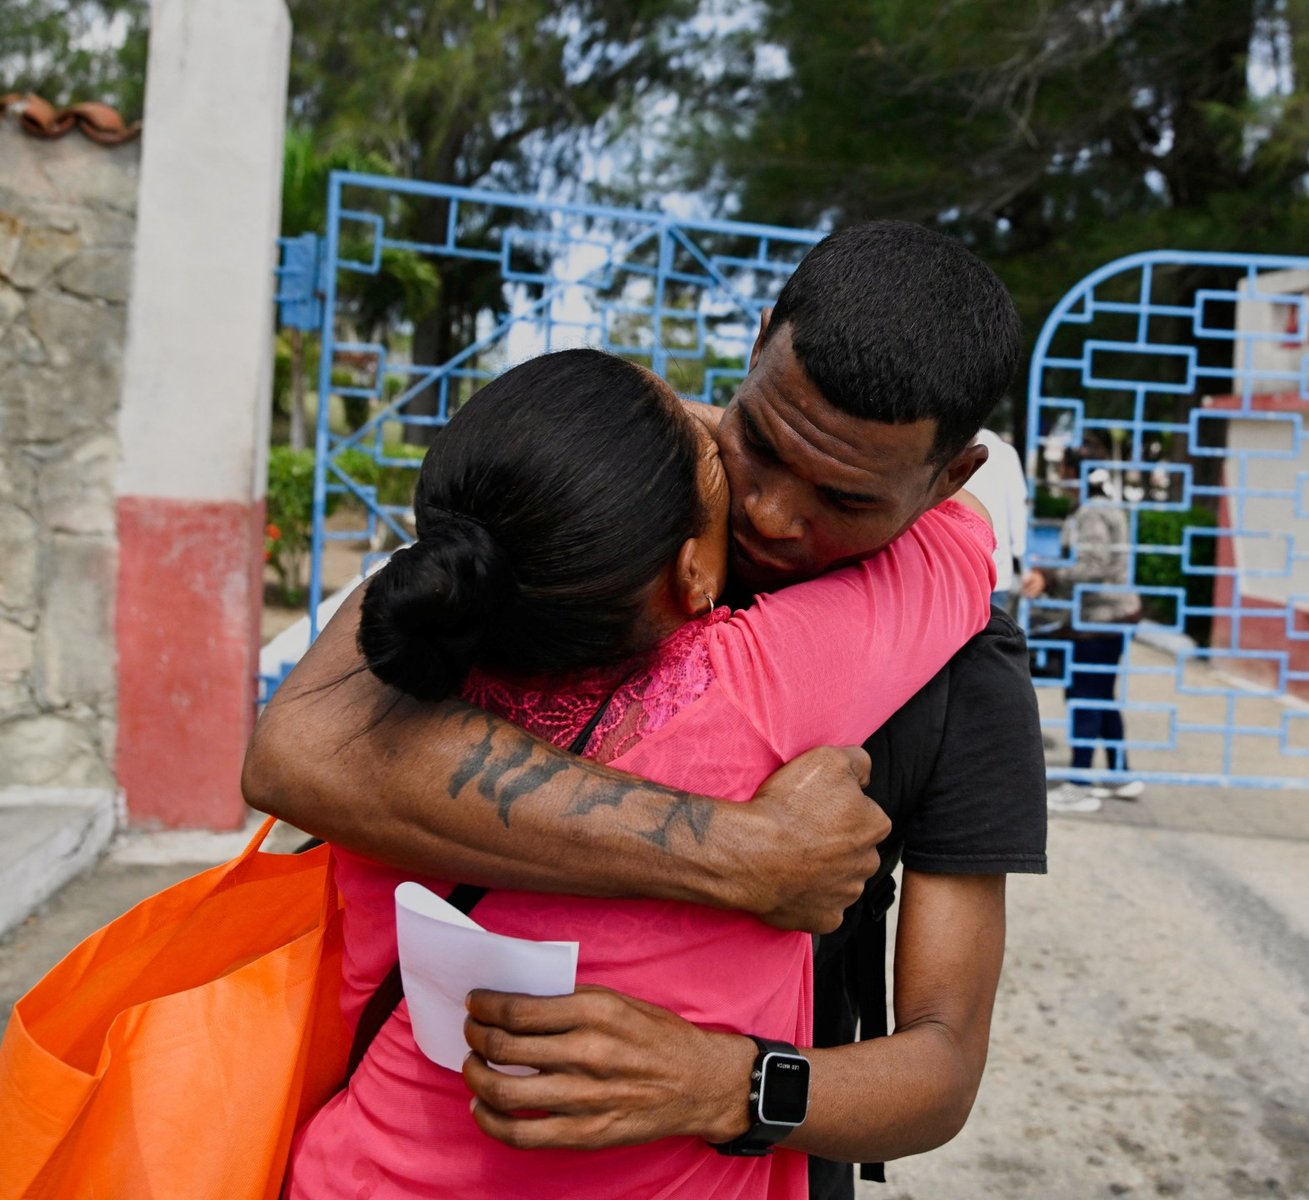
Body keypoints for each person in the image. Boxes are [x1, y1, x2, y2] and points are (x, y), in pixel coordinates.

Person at [245, 220, 1048, 1196]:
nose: (771, 515)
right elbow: (301, 751)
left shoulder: (967, 669)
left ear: (950, 480)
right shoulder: (585, 506)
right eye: (759, 443)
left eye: (844, 499)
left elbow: (942, 1069)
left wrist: (726, 1084)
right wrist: (740, 853)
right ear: (757, 347)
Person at [1021, 435, 1144, 805]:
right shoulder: (1100, 507)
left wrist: (1049, 576)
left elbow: (1093, 565)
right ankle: (1121, 775)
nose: (1060, 477)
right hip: (1110, 617)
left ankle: (1080, 782)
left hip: (1100, 619)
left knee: (1086, 696)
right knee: (1101, 696)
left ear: (1075, 472)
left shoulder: (1092, 512)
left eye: (1063, 469)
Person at [964, 427, 1030, 613]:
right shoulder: (1004, 452)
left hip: (957, 567)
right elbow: (1018, 509)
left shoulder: (945, 445)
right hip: (997, 569)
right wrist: (1023, 562)